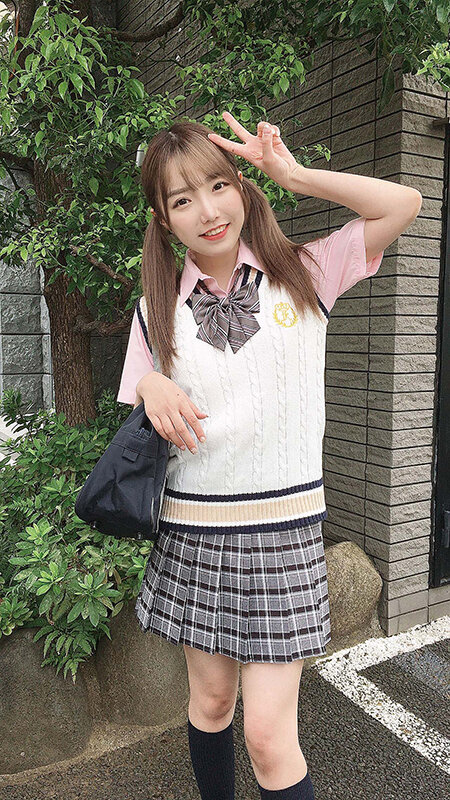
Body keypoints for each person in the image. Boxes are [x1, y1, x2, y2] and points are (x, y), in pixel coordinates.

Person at [116, 111, 422, 800]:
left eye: (218, 186)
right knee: (211, 704)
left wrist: (295, 175)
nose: (207, 211)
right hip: (194, 535)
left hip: (283, 537)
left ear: (242, 188)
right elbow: (145, 403)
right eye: (182, 200)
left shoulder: (305, 273)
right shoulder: (153, 312)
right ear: (164, 220)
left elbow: (404, 203)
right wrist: (150, 382)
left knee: (268, 737)